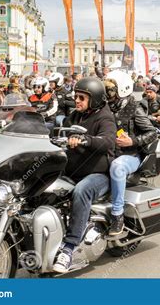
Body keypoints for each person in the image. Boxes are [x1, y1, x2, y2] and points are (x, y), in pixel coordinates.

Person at [52, 78, 116, 273]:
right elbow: (58, 130)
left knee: (82, 191)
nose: (77, 100)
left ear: (94, 99)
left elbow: (108, 141)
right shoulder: (76, 115)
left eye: (81, 97)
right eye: (76, 96)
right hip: (73, 170)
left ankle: (69, 249)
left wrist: (85, 140)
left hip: (98, 174)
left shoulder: (105, 118)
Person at [104, 73, 157, 235]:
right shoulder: (105, 107)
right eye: (105, 90)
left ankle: (117, 214)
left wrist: (132, 141)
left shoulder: (134, 108)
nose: (107, 94)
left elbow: (152, 133)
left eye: (110, 90)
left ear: (122, 90)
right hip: (109, 151)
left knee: (117, 166)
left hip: (131, 156)